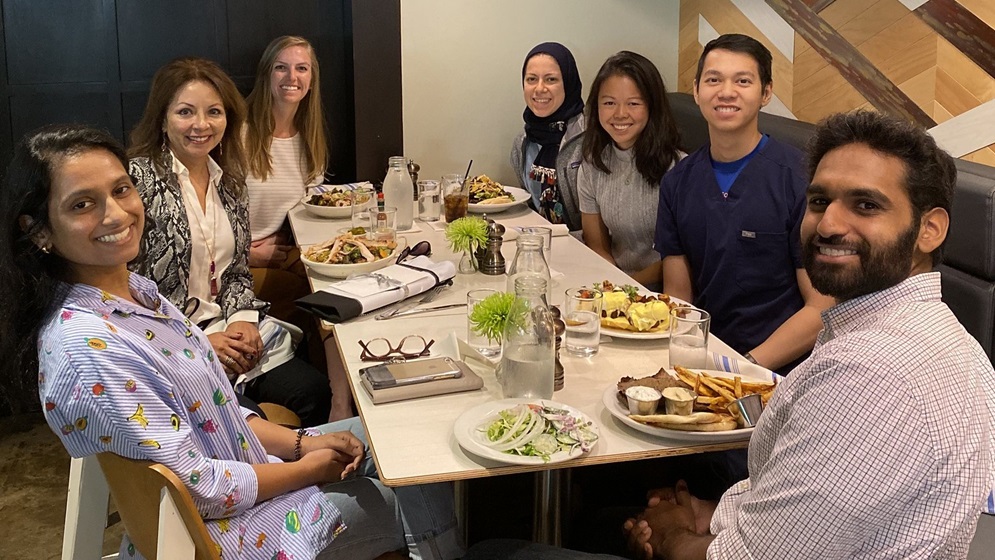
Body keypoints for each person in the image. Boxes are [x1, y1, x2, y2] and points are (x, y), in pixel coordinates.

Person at [464, 109, 995, 560]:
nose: (829, 224)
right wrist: (712, 511)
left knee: (493, 548)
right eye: (818, 202)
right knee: (600, 517)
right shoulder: (940, 340)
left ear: (930, 229)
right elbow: (807, 507)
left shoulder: (874, 375)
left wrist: (675, 536)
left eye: (866, 205)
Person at [0, 124, 409, 559]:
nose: (116, 214)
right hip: (233, 536)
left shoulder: (134, 292)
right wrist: (306, 471)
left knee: (400, 433)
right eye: (82, 204)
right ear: (39, 230)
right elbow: (196, 489)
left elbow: (218, 412)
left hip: (248, 477)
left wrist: (301, 445)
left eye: (121, 190)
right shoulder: (88, 346)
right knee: (421, 484)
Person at [127, 57, 332, 427]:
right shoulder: (136, 182)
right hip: (172, 347)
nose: (201, 125)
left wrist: (243, 321)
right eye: (185, 112)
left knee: (316, 392)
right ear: (162, 118)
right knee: (239, 422)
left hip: (228, 329)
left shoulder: (230, 181)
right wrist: (198, 343)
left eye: (214, 112)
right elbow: (125, 292)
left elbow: (237, 272)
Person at [654, 34, 833, 374]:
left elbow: (821, 309)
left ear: (766, 93)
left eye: (743, 81)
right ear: (696, 90)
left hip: (781, 368)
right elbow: (679, 298)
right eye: (713, 80)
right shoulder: (677, 183)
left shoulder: (799, 182)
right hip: (704, 358)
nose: (726, 92)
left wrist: (743, 368)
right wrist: (687, 366)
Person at [243, 36, 353, 421]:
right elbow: (209, 220)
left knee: (339, 282)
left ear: (311, 79)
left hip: (287, 249)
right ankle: (336, 405)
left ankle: (342, 402)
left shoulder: (309, 137)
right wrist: (248, 252)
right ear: (267, 74)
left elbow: (310, 206)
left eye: (301, 68)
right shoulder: (240, 135)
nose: (292, 77)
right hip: (238, 263)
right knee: (318, 291)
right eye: (282, 67)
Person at [577, 51, 682, 290]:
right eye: (609, 103)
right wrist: (610, 286)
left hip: (661, 290)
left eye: (633, 103)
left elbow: (678, 257)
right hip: (612, 281)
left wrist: (626, 288)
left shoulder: (678, 170)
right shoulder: (593, 163)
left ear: (652, 107)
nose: (620, 114)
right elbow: (598, 245)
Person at [510, 42, 586, 232]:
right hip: (539, 245)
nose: (540, 88)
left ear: (568, 83)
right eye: (532, 79)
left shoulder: (591, 138)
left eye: (551, 79)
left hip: (585, 249)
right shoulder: (523, 142)